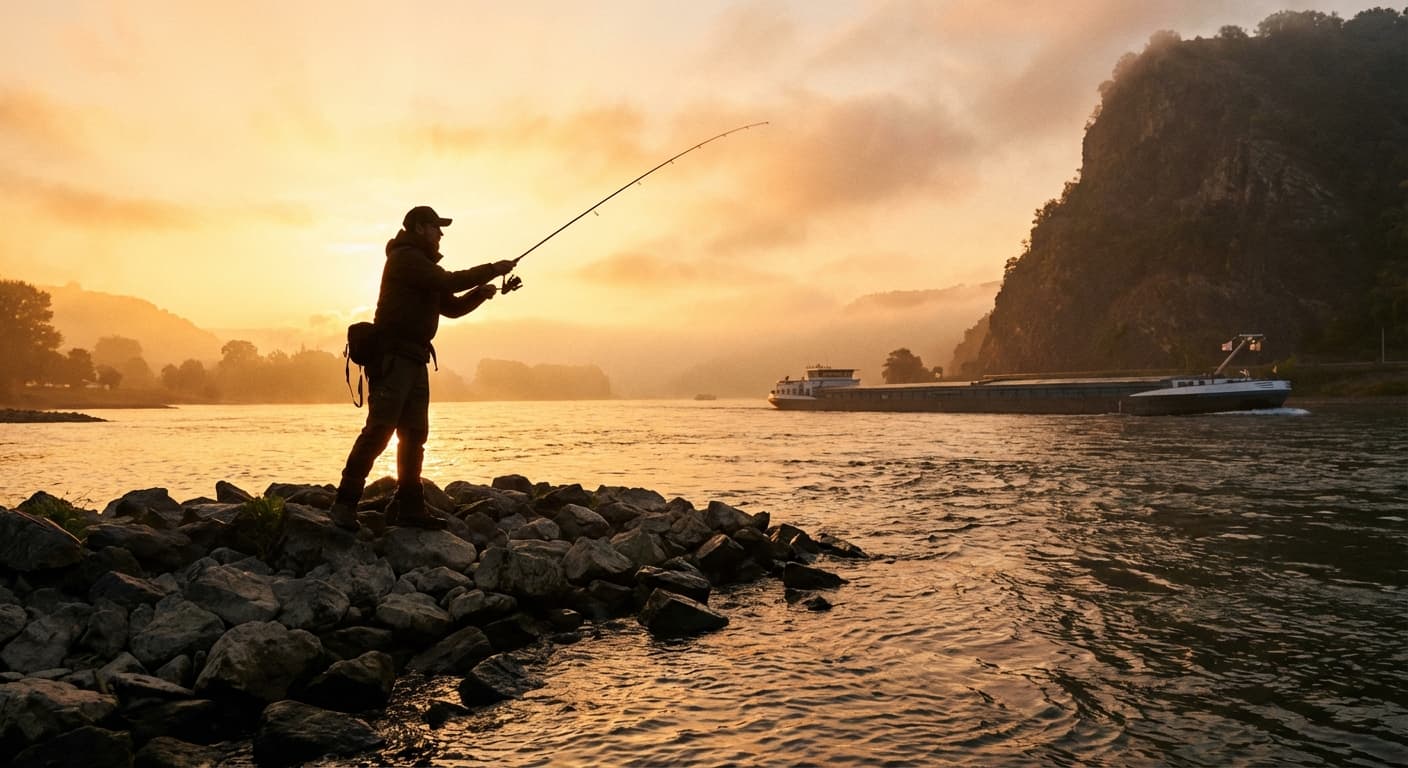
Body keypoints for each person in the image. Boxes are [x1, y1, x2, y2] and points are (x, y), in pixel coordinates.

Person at [329, 205, 515, 531]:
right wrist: (493, 268)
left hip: (414, 359)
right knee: (379, 430)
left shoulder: (423, 266)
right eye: (435, 227)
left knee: (414, 435)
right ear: (418, 228)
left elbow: (452, 307)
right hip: (393, 359)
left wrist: (481, 294)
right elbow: (450, 281)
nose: (441, 234)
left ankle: (410, 506)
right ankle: (344, 504)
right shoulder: (405, 258)